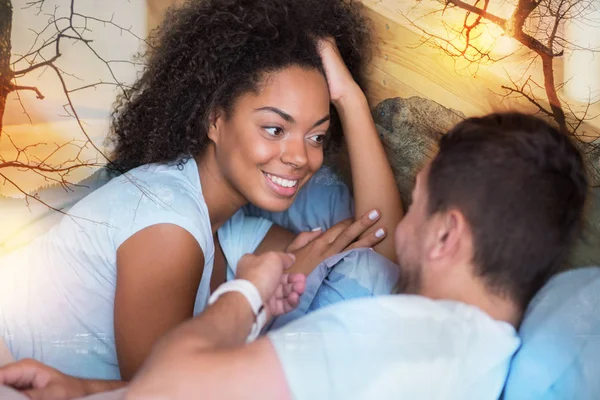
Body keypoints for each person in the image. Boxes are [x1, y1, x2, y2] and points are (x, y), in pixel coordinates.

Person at [0, 112, 585, 400]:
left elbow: (168, 388)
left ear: (445, 236)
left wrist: (248, 292)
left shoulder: (405, 335)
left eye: (418, 204)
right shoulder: (472, 353)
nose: (400, 226)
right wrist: (86, 390)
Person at [0, 0, 402, 382]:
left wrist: (350, 100)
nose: (300, 157)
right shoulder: (168, 219)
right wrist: (259, 295)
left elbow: (382, 261)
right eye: (274, 129)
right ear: (214, 119)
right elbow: (163, 391)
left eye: (317, 136)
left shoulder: (231, 231)